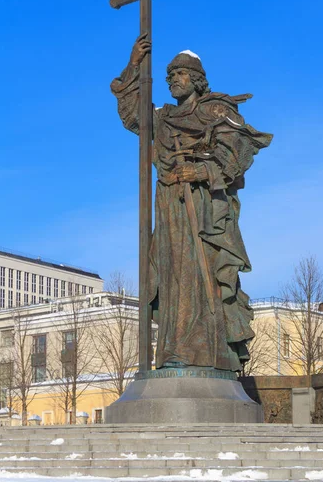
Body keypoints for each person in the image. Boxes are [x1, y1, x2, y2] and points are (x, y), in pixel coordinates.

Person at [111, 34, 272, 372]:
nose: (173, 80)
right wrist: (133, 66)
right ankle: (174, 350)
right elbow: (131, 117)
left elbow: (238, 154)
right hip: (169, 204)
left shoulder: (215, 110)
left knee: (201, 275)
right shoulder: (164, 118)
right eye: (169, 76)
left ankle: (204, 351)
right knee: (171, 276)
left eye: (180, 74)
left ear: (197, 79)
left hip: (202, 207)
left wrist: (199, 169)